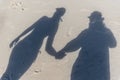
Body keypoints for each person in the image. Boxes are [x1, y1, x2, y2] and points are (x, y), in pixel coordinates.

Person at [1, 7, 66, 80]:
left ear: (55, 13)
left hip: (23, 44)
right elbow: (48, 48)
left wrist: (18, 38)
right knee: (15, 75)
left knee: (8, 72)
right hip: (31, 51)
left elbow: (30, 28)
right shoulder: (54, 26)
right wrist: (56, 54)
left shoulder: (44, 19)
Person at [55, 11, 117, 80]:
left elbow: (75, 44)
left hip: (85, 71)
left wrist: (63, 51)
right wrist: (63, 50)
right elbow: (113, 44)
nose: (91, 22)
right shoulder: (104, 33)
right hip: (97, 72)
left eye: (92, 20)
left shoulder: (89, 33)